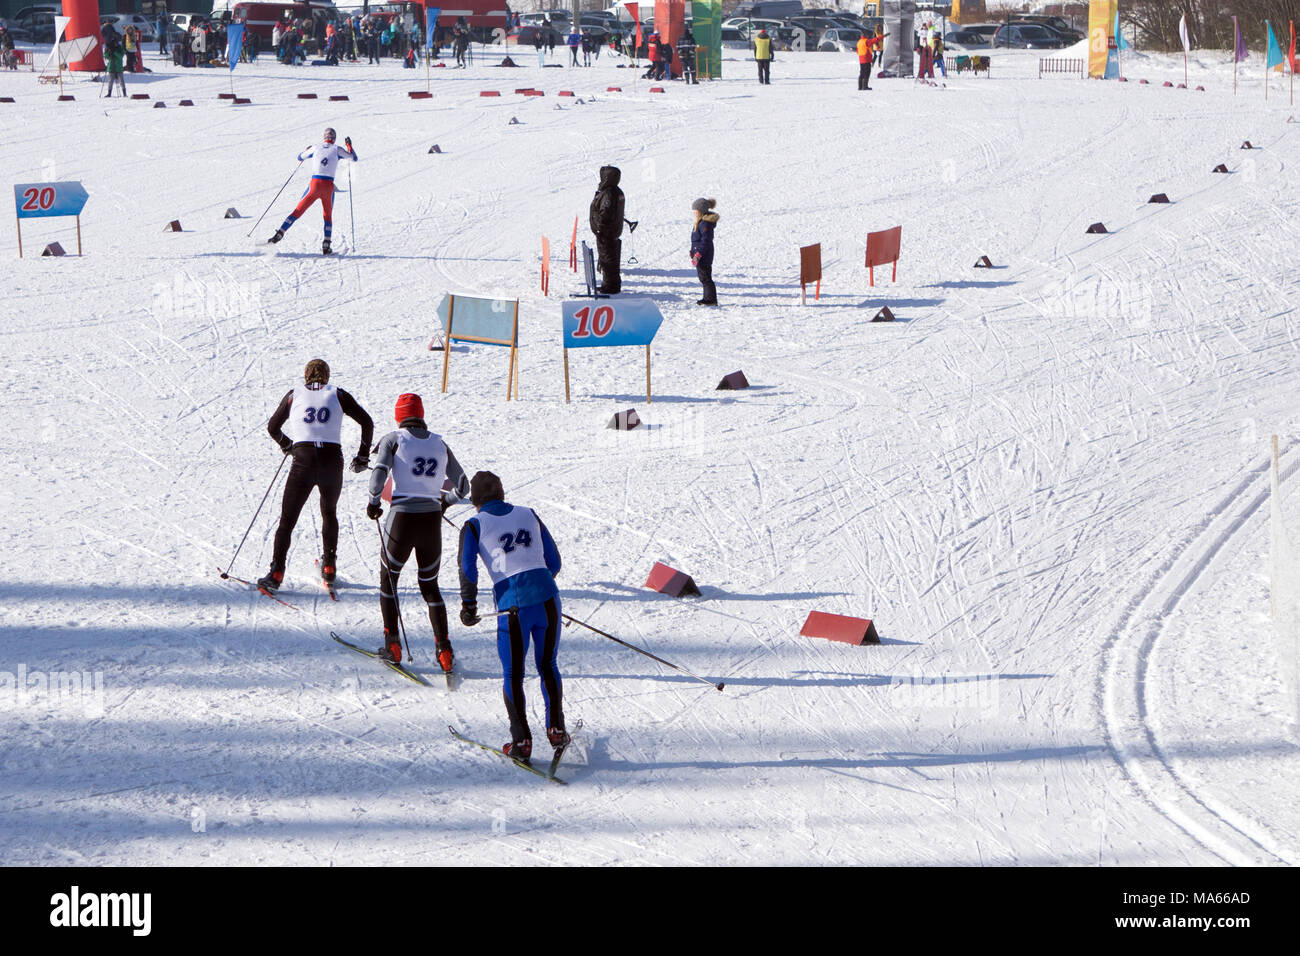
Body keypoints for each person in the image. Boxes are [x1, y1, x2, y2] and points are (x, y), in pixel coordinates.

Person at [457, 471, 566, 761]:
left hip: (513, 607)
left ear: (475, 501)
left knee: (513, 674)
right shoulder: (529, 513)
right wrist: (539, 585)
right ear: (502, 493)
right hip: (548, 599)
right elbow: (554, 561)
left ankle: (521, 743)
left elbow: (468, 570)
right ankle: (556, 729)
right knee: (548, 665)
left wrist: (468, 607)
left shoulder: (472, 525)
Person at [367, 393, 469, 671]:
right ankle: (444, 651)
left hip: (401, 519)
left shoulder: (393, 438)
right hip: (430, 524)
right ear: (421, 415)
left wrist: (373, 503)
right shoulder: (440, 442)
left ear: (399, 416)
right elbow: (462, 486)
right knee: (430, 586)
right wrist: (443, 503)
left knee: (389, 582)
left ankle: (393, 645)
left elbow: (378, 479)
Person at [257, 359, 374, 594]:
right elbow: (367, 422)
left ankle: (277, 572)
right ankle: (329, 566)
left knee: (287, 520)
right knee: (329, 513)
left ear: (305, 375)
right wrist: (362, 457)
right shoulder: (338, 394)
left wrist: (287, 445)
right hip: (332, 459)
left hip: (304, 459)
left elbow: (272, 427)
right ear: (327, 376)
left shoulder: (295, 394)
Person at [267, 128, 358, 256]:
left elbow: (299, 157)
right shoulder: (337, 149)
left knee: (298, 211)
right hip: (328, 186)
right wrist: (349, 146)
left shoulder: (316, 147)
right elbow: (353, 158)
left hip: (315, 184)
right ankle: (326, 244)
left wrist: (307, 150)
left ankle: (280, 233)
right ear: (334, 138)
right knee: (327, 215)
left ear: (324, 137)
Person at [589, 165, 625, 295]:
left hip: (607, 232)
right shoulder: (616, 191)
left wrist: (600, 228)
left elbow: (606, 213)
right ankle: (610, 284)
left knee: (608, 259)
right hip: (612, 231)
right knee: (610, 258)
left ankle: (611, 286)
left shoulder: (609, 193)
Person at [690, 197, 719, 305]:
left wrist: (698, 254)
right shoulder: (701, 222)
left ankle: (711, 299)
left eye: (695, 210)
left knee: (705, 278)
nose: (694, 212)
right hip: (700, 254)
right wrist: (692, 251)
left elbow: (705, 241)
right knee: (703, 277)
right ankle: (707, 298)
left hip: (704, 255)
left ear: (701, 211)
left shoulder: (705, 224)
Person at [103, 30, 127, 96]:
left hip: (118, 67)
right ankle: (109, 93)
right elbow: (105, 56)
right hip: (111, 67)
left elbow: (120, 56)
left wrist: (114, 52)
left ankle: (124, 93)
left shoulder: (120, 48)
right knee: (110, 81)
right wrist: (109, 52)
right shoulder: (109, 47)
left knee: (121, 81)